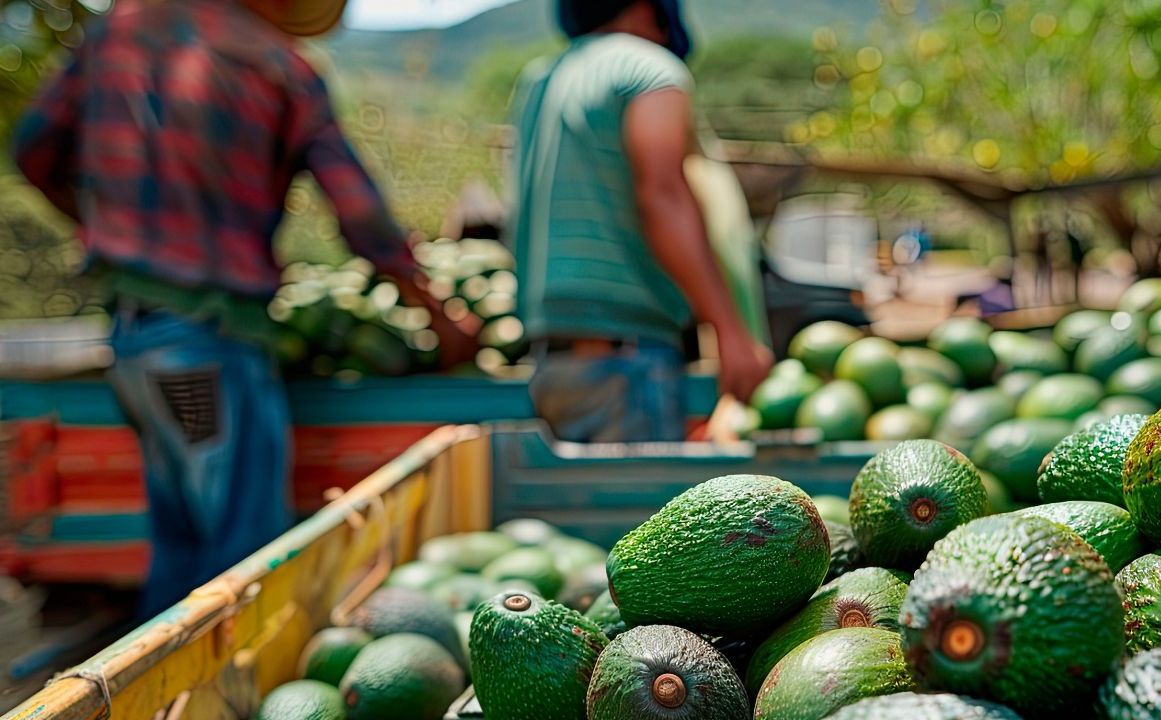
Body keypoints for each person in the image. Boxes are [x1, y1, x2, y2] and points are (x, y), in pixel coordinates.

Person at [12, 0, 473, 615]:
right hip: (209, 346)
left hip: (134, 340)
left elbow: (32, 151)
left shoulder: (117, 31)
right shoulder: (279, 67)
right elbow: (361, 216)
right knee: (241, 559)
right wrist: (438, 315)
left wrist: (108, 231)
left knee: (182, 545)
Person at [510, 0, 773, 443]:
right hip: (627, 359)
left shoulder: (540, 81)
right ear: (649, 10)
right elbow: (662, 196)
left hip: (551, 361)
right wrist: (731, 331)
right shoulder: (649, 69)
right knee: (641, 514)